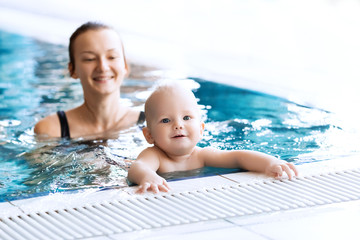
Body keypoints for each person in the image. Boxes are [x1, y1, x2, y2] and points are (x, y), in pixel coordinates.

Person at [128, 82, 299, 193]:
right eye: (166, 120)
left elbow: (238, 157)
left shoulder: (202, 155)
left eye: (186, 118)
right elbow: (139, 166)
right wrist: (147, 176)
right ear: (149, 135)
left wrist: (270, 163)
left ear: (201, 129)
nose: (178, 125)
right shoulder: (155, 155)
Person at [34, 22, 145, 139]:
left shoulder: (149, 124)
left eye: (112, 57)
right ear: (72, 70)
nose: (103, 67)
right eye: (89, 59)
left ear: (125, 66)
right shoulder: (51, 129)